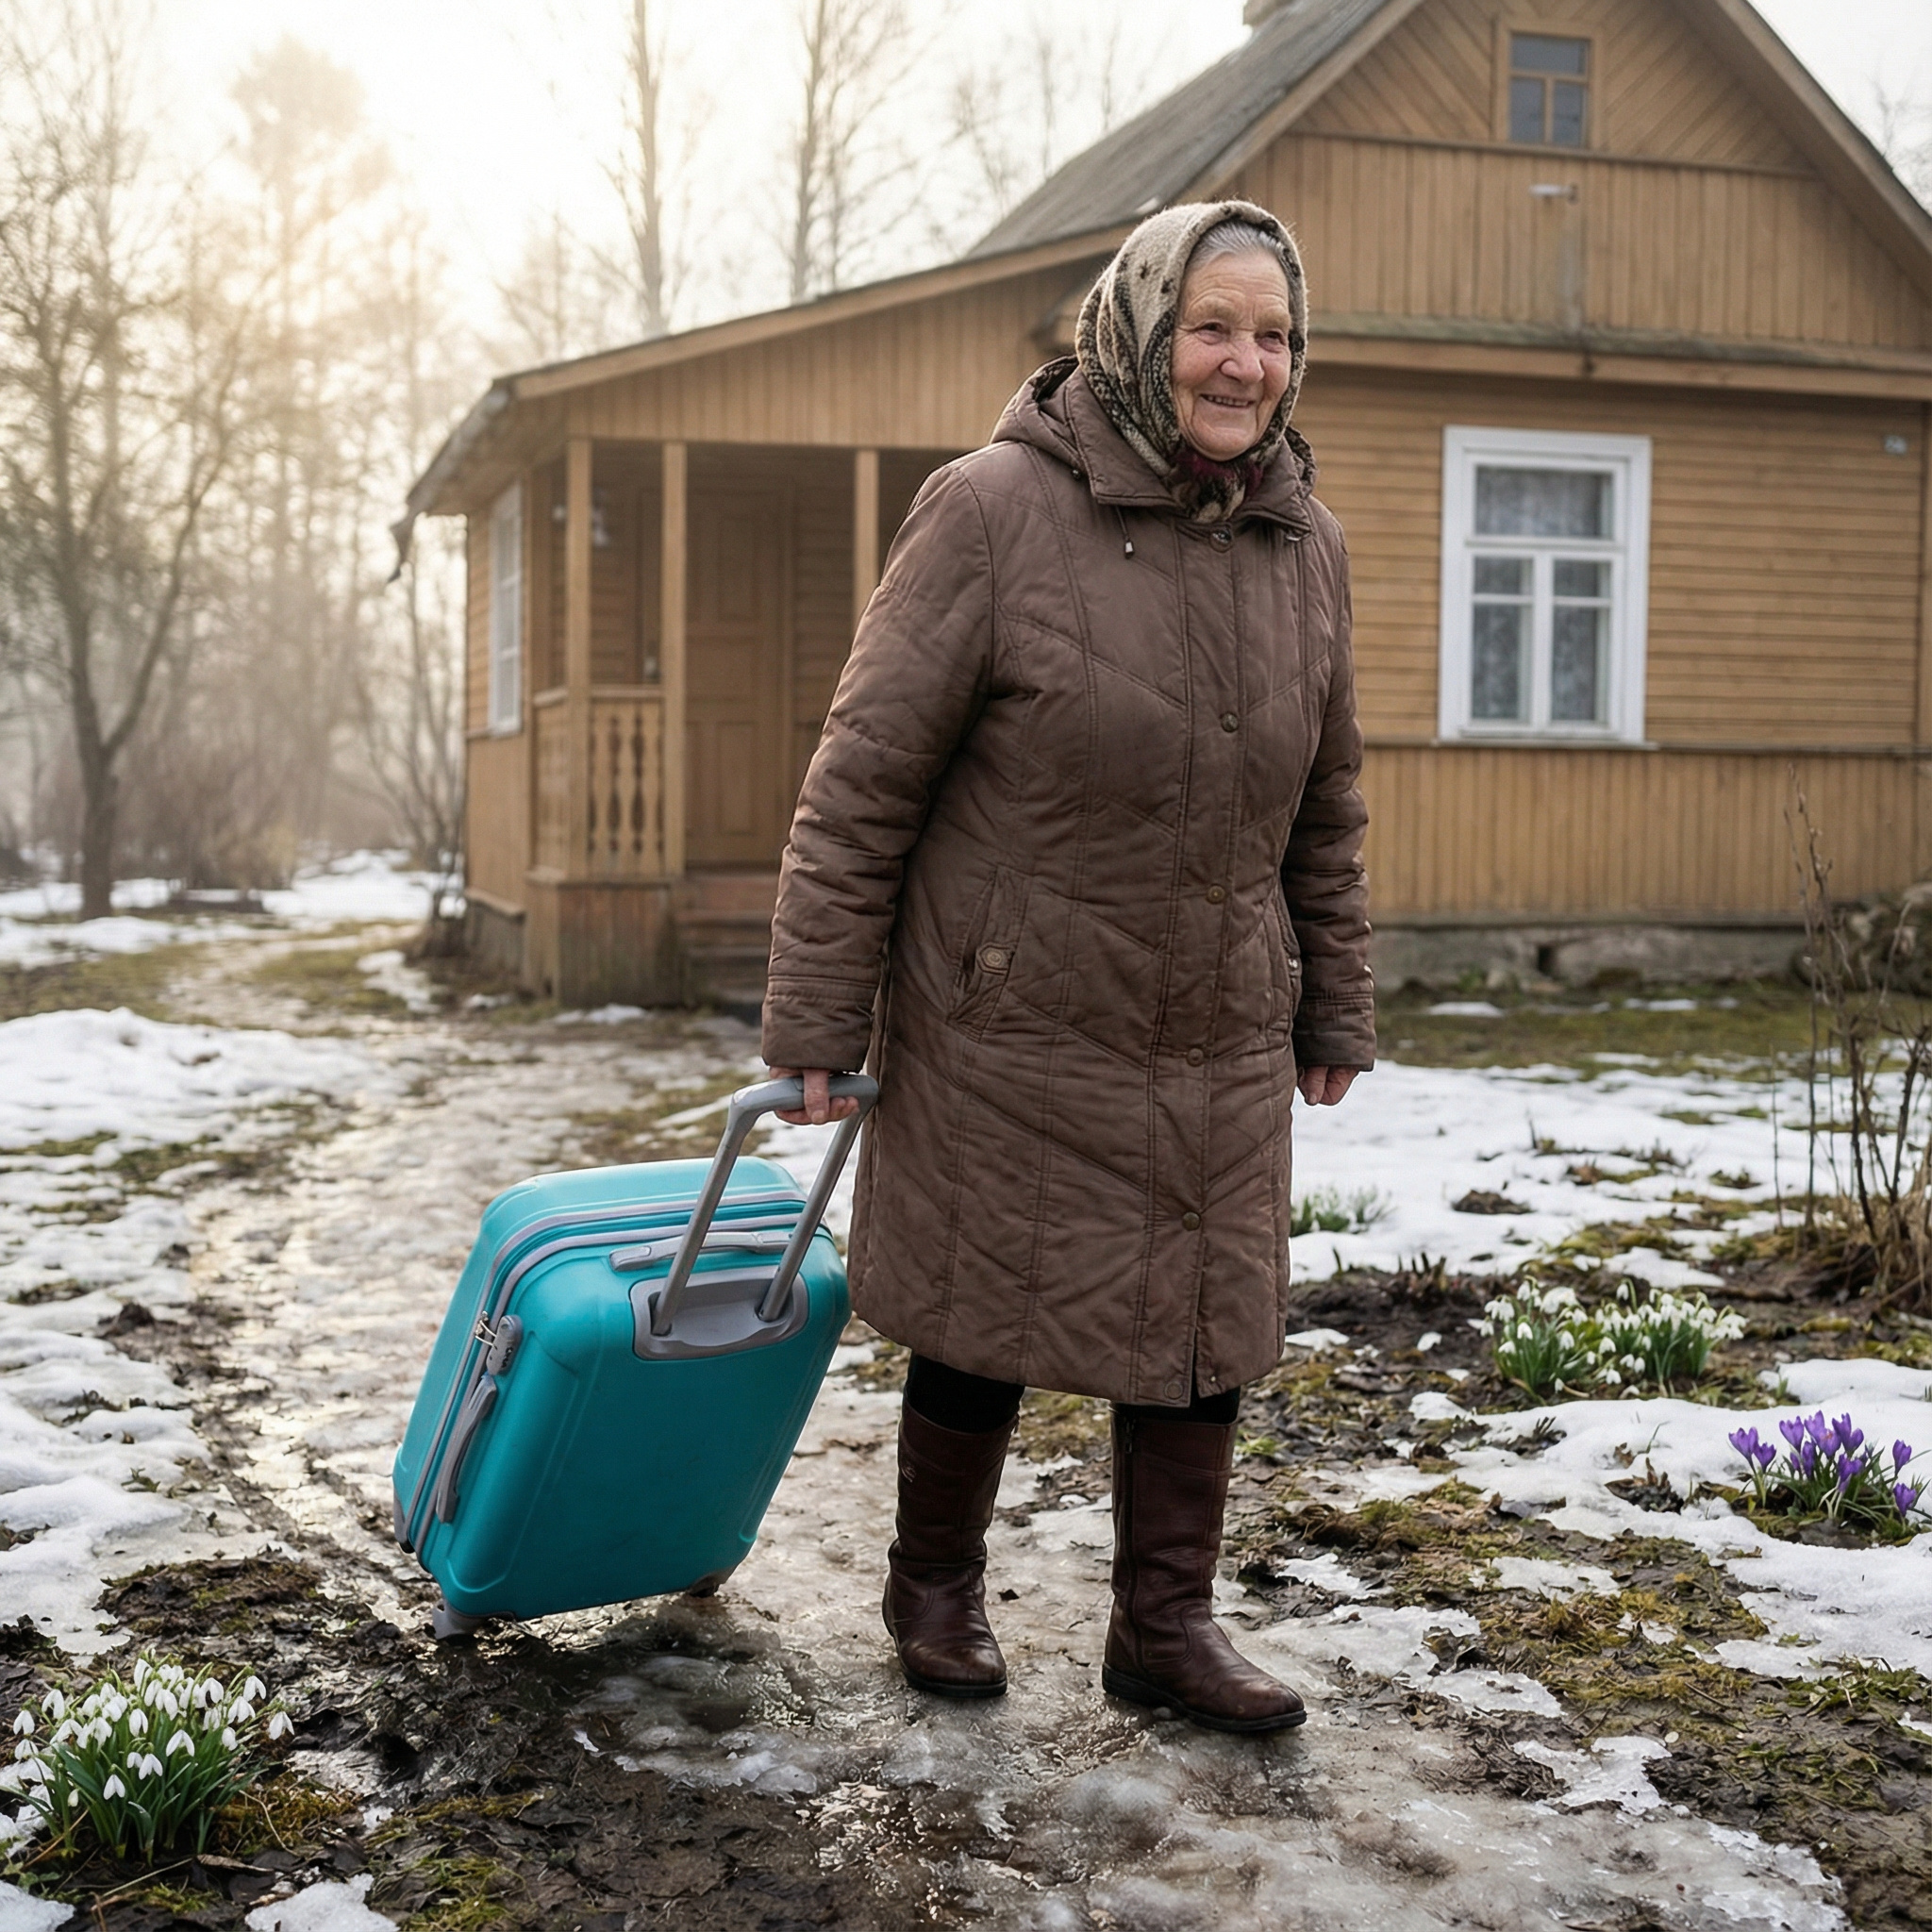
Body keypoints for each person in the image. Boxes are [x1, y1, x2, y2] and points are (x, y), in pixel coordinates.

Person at [762, 199, 1374, 1735]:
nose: (1245, 363)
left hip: (1219, 1008)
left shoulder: (1307, 543)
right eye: (1213, 327)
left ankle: (1163, 1627)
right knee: (989, 1301)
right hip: (1013, 1004)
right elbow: (865, 778)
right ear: (1142, 326)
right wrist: (819, 1016)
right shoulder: (992, 509)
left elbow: (1329, 797)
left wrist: (1336, 996)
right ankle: (936, 1585)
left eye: (1274, 334)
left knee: (1198, 1322)